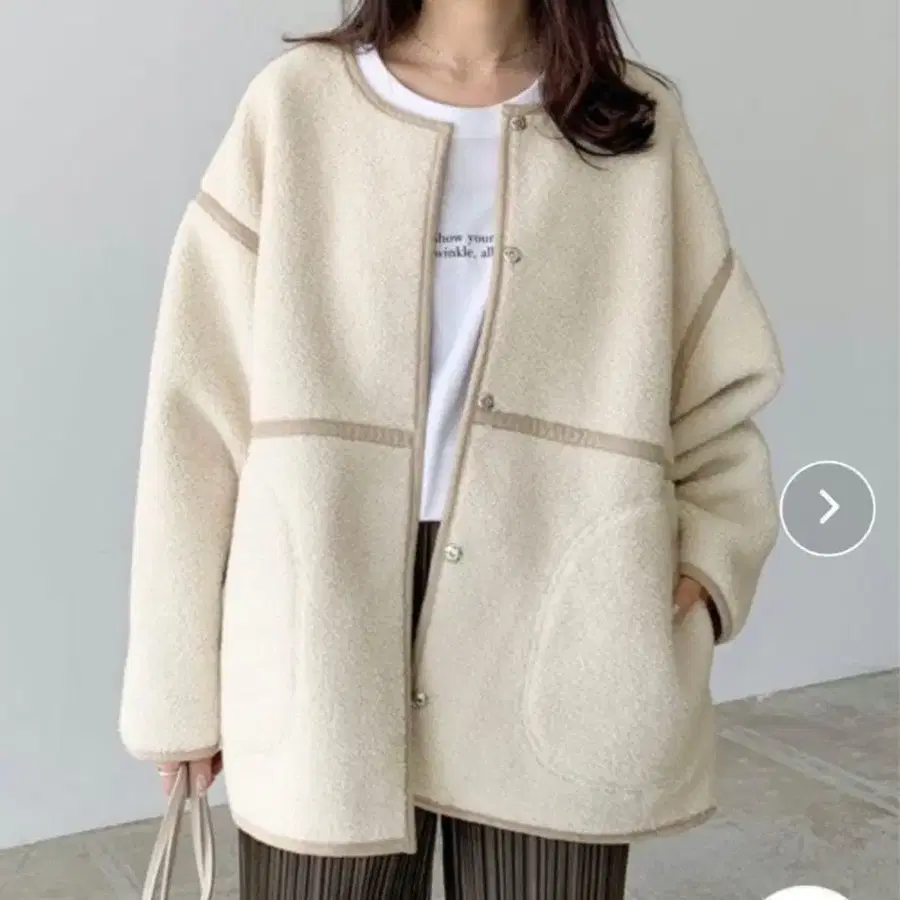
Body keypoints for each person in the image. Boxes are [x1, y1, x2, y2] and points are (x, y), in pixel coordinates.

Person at [119, 0, 784, 896]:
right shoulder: (297, 104)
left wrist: (705, 564)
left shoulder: (630, 119)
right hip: (326, 609)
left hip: (562, 609)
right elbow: (195, 414)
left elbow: (717, 385)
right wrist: (176, 687)